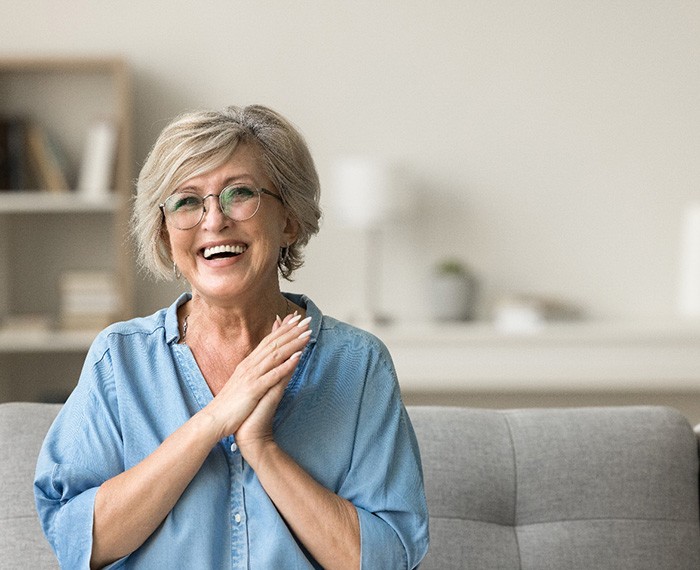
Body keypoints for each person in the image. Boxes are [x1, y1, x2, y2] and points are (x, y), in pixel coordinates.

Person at [34, 105, 429, 569]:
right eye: (186, 201)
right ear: (164, 234)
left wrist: (261, 448)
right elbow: (78, 541)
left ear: (289, 220)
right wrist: (213, 421)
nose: (213, 221)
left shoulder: (357, 366)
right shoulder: (120, 359)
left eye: (239, 194)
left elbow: (387, 560)